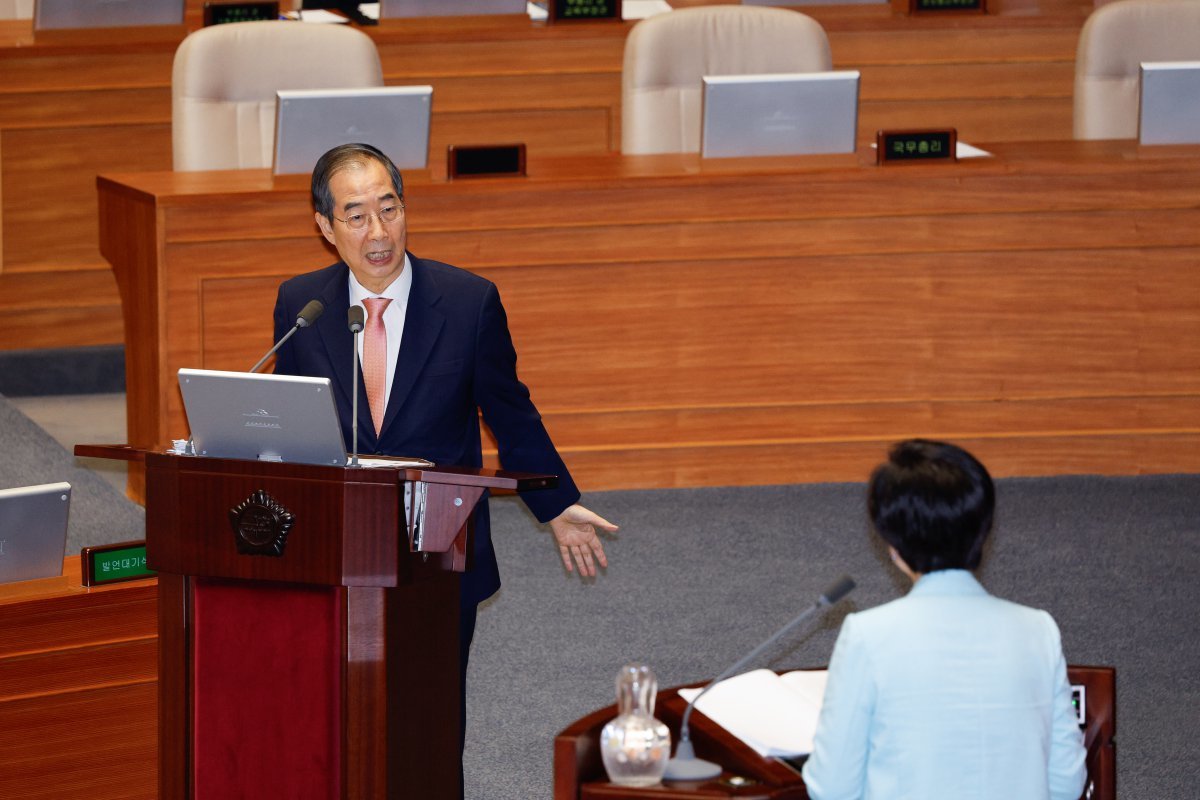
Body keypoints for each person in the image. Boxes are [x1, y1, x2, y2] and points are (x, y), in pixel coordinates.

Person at [271, 142, 618, 778]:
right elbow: (292, 420)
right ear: (324, 227)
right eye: (356, 215)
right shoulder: (303, 304)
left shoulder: (467, 302)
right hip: (337, 546)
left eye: (389, 208)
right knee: (335, 720)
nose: (378, 232)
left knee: (428, 725)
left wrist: (555, 503)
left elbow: (509, 411)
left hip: (439, 548)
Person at [802, 439, 1086, 800]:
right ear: (983, 531)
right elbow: (1067, 784)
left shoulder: (867, 635)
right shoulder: (1038, 630)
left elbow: (832, 789)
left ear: (893, 545)